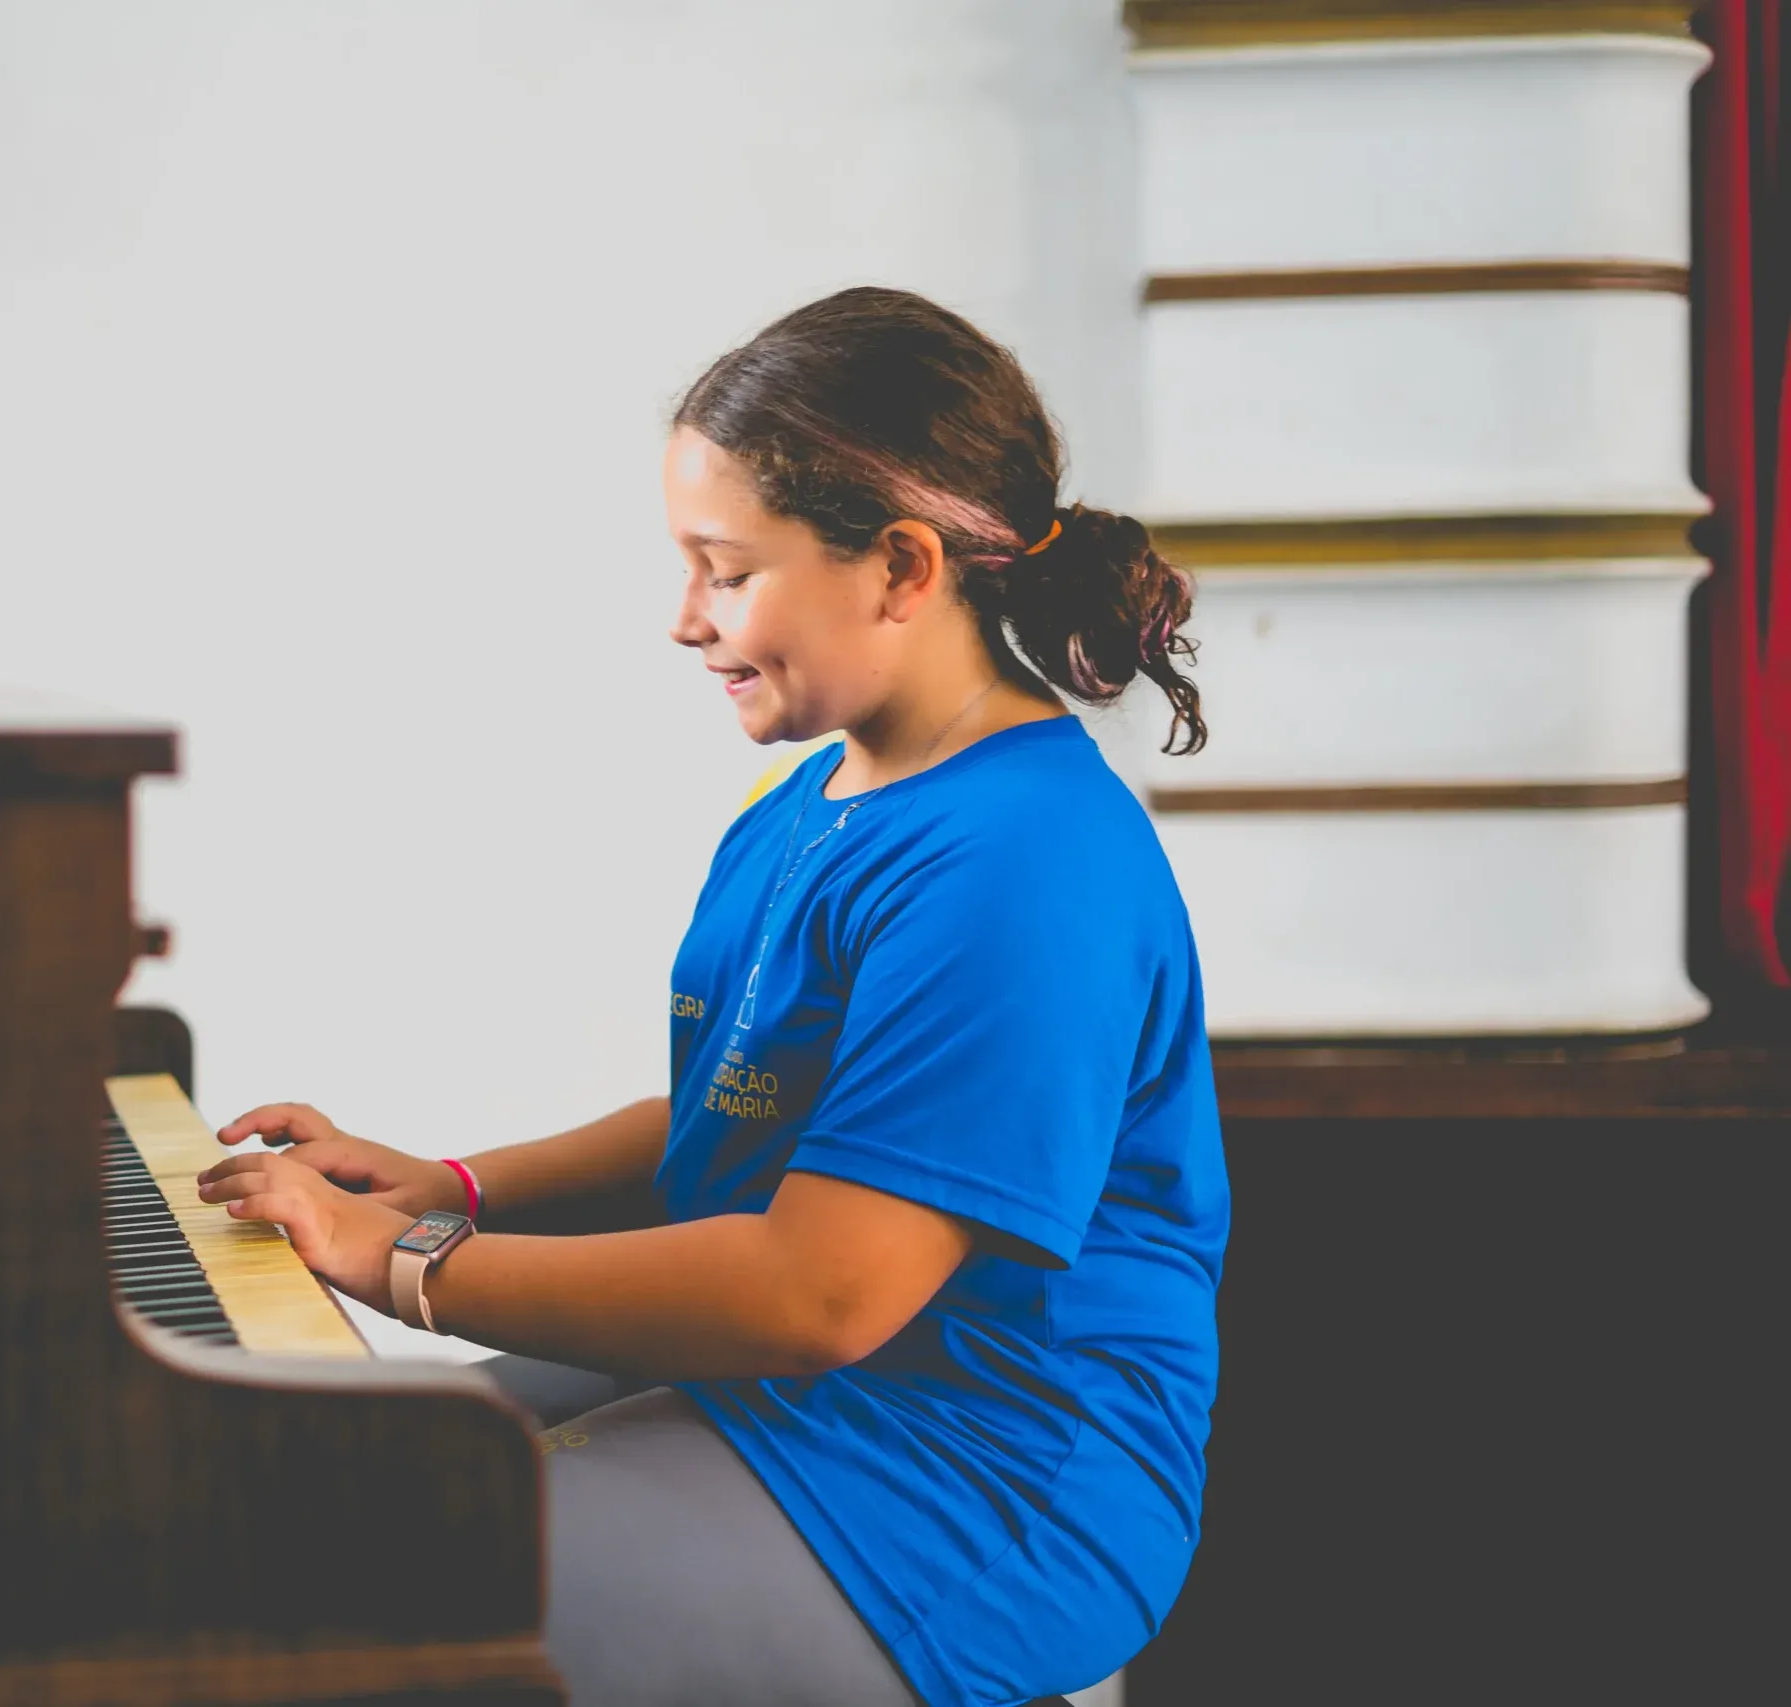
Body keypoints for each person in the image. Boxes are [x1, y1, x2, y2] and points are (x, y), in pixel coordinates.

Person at [197, 286, 1228, 1707]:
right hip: (823, 1397)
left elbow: (821, 1288)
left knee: (380, 1578)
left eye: (726, 570)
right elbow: (730, 1110)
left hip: (982, 1478)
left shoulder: (1023, 863)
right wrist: (447, 1183)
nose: (685, 619)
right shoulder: (813, 793)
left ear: (902, 568)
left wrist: (403, 1264)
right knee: (301, 1500)